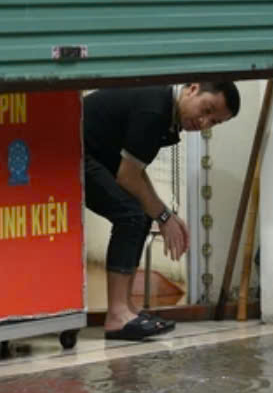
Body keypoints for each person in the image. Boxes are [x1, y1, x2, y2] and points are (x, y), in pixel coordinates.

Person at [83, 81, 241, 341]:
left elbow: (135, 171)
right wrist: (164, 216)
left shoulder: (165, 112)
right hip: (69, 153)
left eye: (213, 122)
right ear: (193, 89)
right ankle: (117, 315)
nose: (204, 122)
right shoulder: (156, 111)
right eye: (206, 109)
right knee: (131, 215)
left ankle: (127, 309)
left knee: (140, 214)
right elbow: (128, 177)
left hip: (95, 155)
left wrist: (162, 212)